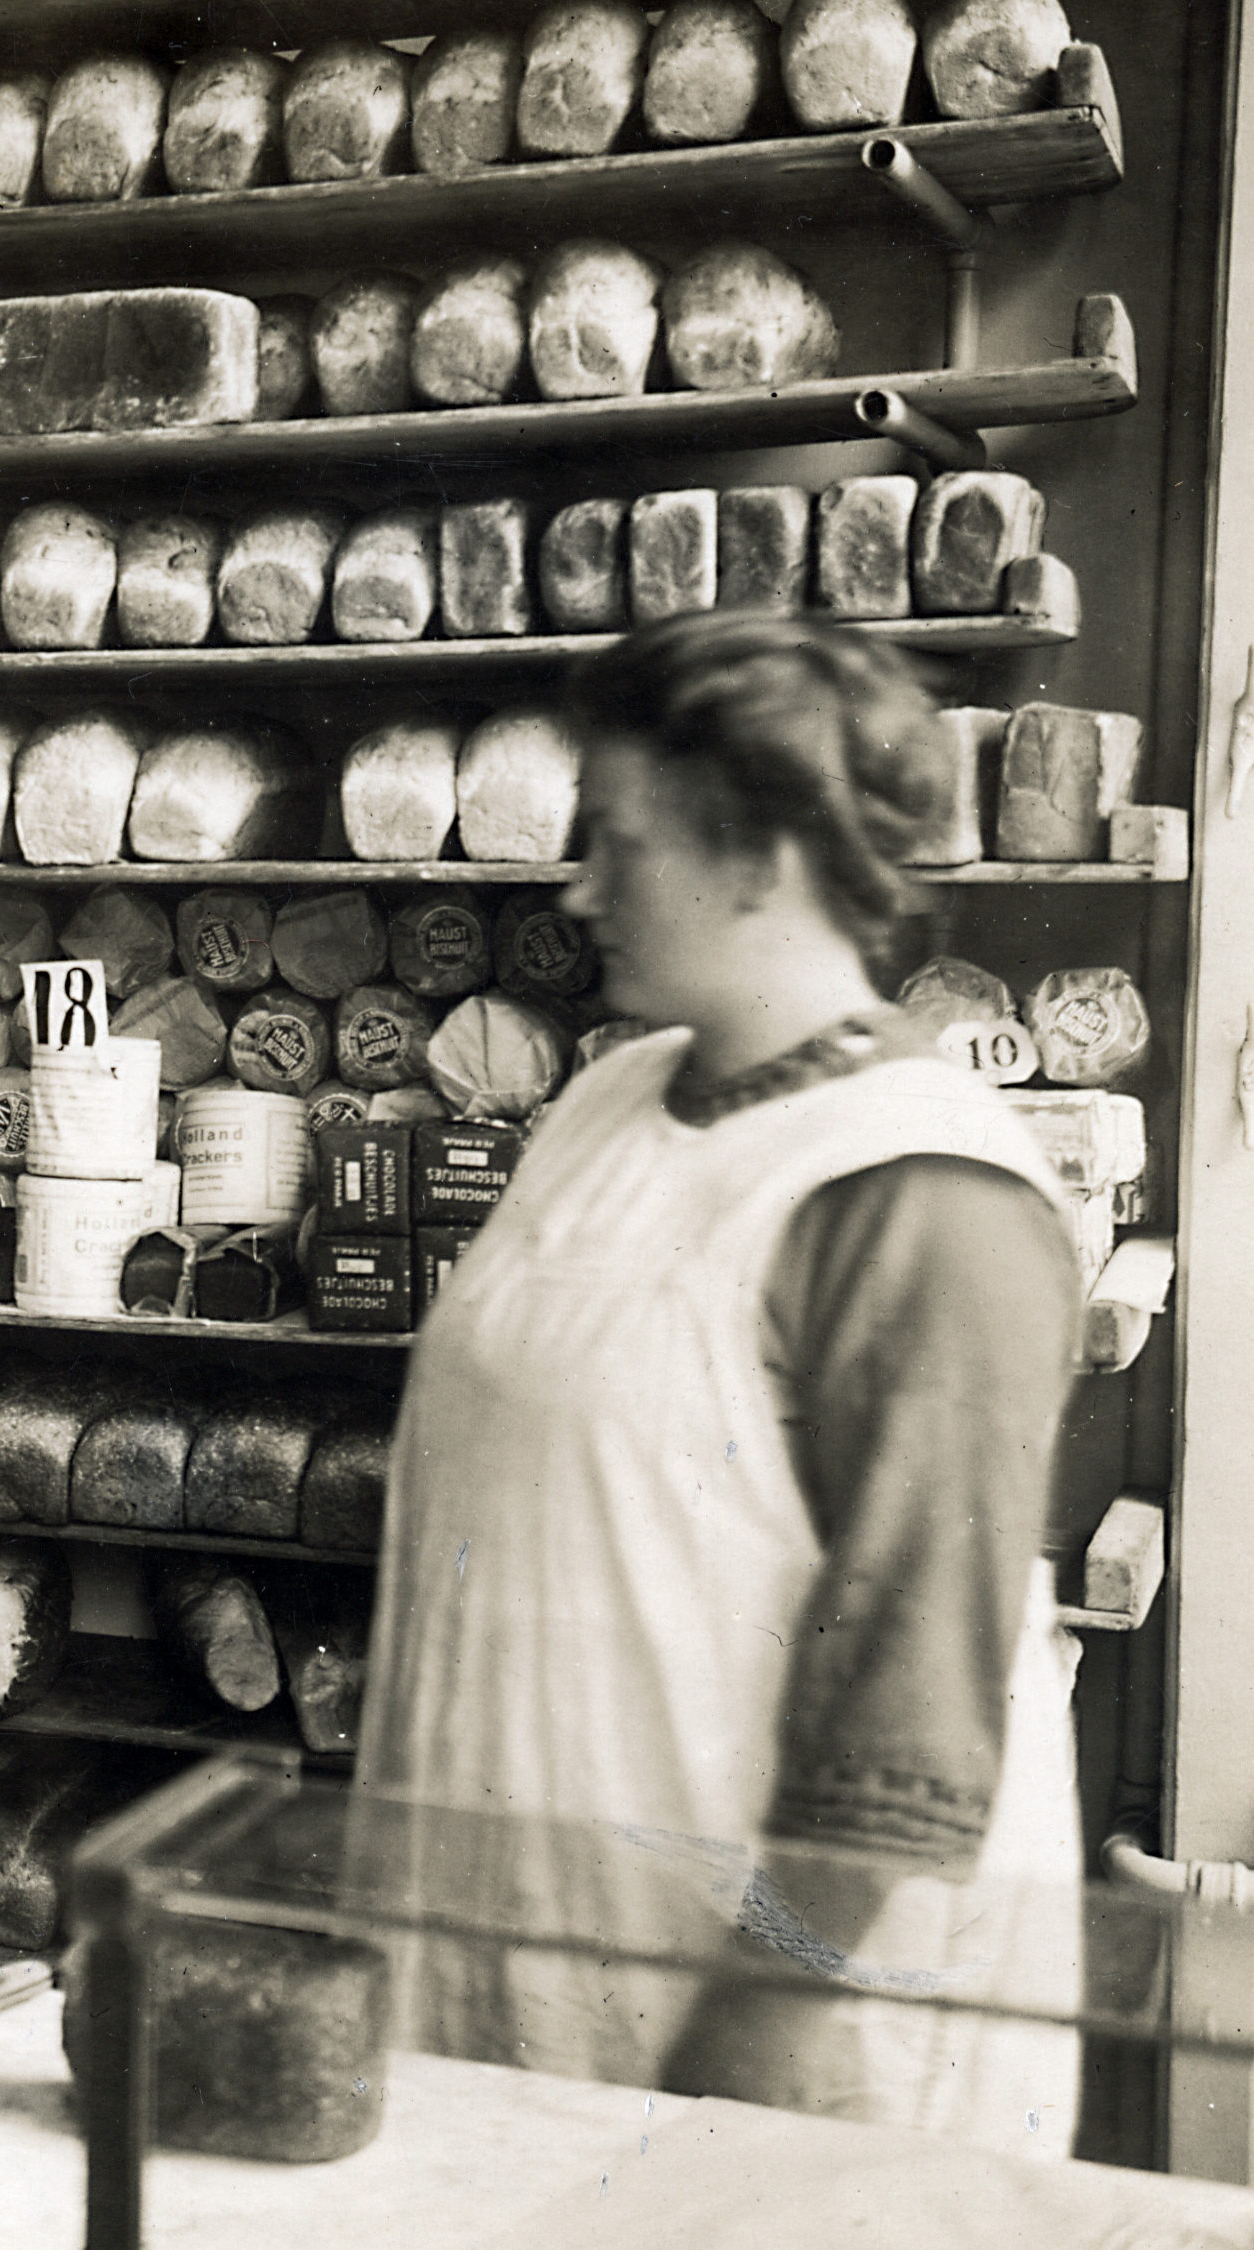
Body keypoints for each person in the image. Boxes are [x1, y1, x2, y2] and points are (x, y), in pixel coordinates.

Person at [357, 612, 1085, 2152]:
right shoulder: (612, 1095)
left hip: (767, 2029)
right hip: (530, 1943)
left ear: (758, 856)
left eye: (617, 839)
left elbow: (915, 1708)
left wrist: (757, 2021)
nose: (579, 888)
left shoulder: (922, 1190)